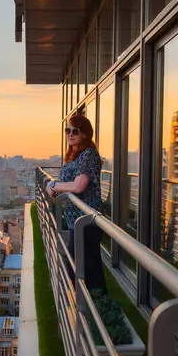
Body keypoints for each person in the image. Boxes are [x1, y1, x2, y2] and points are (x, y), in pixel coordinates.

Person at [46, 114, 107, 293]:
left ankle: (89, 312)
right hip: (77, 222)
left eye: (75, 131)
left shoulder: (88, 155)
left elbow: (79, 186)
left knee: (81, 269)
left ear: (85, 134)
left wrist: (54, 185)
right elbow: (72, 184)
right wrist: (58, 187)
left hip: (86, 221)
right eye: (68, 131)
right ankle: (98, 309)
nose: (70, 134)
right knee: (87, 268)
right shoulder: (76, 155)